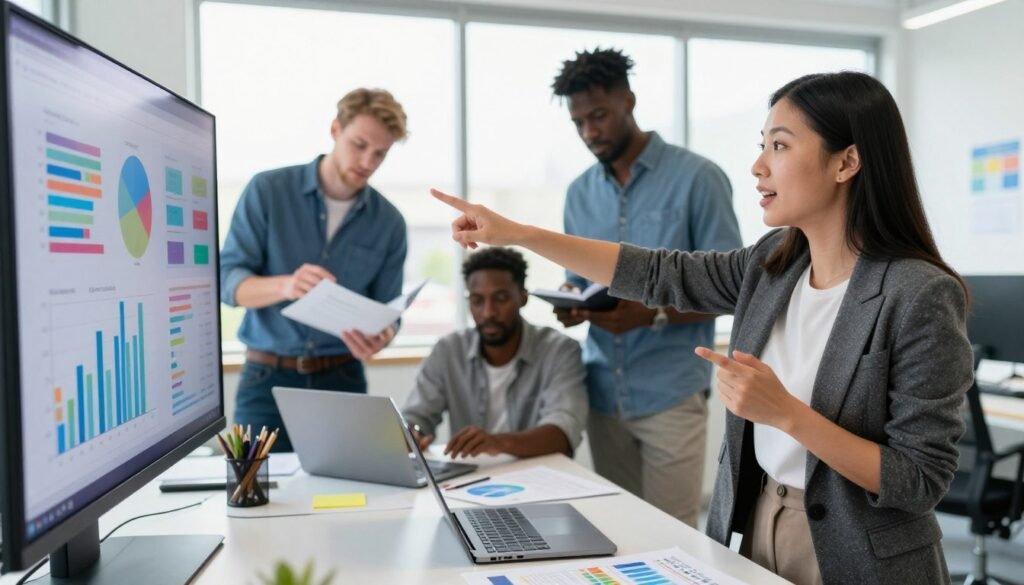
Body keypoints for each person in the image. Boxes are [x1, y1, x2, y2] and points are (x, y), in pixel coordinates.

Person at [430, 71, 973, 585]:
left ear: (846, 161)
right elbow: (658, 273)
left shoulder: (919, 294)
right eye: (762, 145)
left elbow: (919, 479)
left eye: (779, 146)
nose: (758, 166)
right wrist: (519, 234)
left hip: (858, 551)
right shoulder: (772, 266)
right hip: (759, 525)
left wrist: (785, 414)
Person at [550, 48, 742, 528]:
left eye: (599, 116)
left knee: (672, 537)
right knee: (617, 533)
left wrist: (650, 312)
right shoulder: (578, 194)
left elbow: (732, 289)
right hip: (602, 395)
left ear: (628, 102)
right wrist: (572, 299)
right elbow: (581, 278)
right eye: (579, 123)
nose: (590, 132)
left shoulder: (698, 179)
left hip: (670, 393)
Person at [220, 88, 409, 452]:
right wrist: (286, 286)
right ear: (335, 130)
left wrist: (381, 337)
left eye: (380, 154)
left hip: (343, 381)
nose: (367, 161)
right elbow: (228, 283)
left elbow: (390, 312)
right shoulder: (268, 191)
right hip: (266, 382)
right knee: (256, 498)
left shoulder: (389, 223)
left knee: (347, 499)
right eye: (359, 144)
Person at [402, 247, 588, 459]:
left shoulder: (559, 350)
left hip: (540, 474)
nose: (488, 312)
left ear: (522, 297)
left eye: (501, 298)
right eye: (477, 300)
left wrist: (497, 442)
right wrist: (412, 433)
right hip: (470, 478)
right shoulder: (449, 350)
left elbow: (563, 433)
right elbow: (416, 415)